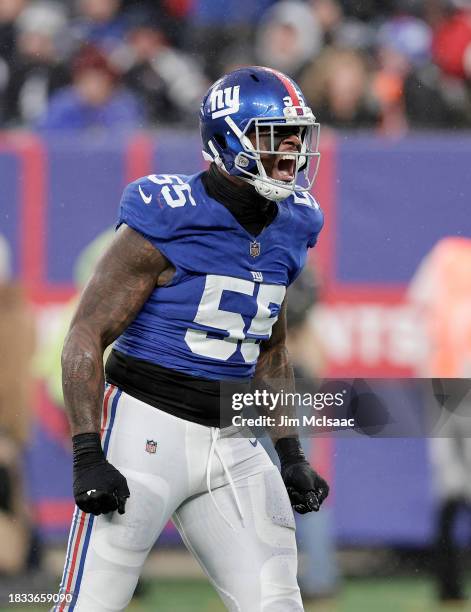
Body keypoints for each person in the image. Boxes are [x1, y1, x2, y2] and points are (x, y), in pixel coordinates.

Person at [56, 66, 329, 611]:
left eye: (298, 135)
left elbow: (269, 347)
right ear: (229, 138)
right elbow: (86, 333)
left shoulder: (295, 222)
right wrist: (88, 452)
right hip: (143, 430)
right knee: (87, 604)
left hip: (234, 438)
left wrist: (291, 451)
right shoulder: (168, 213)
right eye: (275, 134)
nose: (292, 149)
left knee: (278, 604)